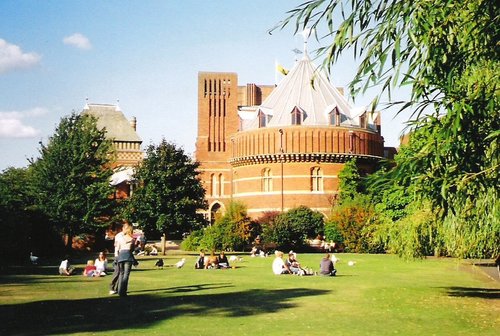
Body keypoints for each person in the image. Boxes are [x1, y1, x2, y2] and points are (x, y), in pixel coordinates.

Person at [115, 224, 138, 297]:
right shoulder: (132, 239)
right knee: (126, 275)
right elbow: (132, 250)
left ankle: (119, 291)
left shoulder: (120, 238)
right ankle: (123, 292)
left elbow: (117, 248)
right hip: (128, 256)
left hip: (120, 256)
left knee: (121, 274)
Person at [110, 222, 130, 295]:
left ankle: (119, 289)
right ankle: (112, 287)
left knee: (123, 273)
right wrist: (116, 256)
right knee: (117, 272)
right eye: (127, 228)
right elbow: (117, 247)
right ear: (123, 228)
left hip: (125, 256)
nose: (128, 230)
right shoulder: (119, 236)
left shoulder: (128, 235)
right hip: (119, 255)